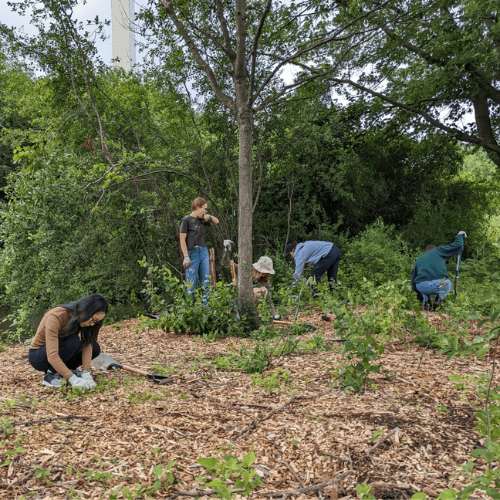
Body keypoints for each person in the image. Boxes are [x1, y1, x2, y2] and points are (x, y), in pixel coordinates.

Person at [28, 293, 108, 389]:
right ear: (85, 311)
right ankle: (51, 374)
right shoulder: (56, 316)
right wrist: (72, 378)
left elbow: (87, 343)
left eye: (96, 322)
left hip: (62, 350)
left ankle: (68, 369)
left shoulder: (84, 321)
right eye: (93, 320)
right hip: (39, 356)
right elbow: (52, 355)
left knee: (94, 347)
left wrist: (86, 373)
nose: (92, 324)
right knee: (72, 341)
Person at [411, 231, 466, 310]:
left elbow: (414, 279)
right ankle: (438, 299)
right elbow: (458, 245)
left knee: (420, 284)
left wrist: (416, 295)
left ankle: (425, 301)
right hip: (439, 285)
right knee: (447, 283)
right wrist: (460, 236)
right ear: (434, 248)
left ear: (426, 251)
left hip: (423, 286)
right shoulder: (438, 250)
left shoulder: (419, 259)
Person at [179, 197, 219, 306]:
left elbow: (216, 221)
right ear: (197, 207)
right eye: (204, 209)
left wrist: (208, 217)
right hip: (192, 252)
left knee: (205, 282)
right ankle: (189, 310)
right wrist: (186, 256)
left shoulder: (202, 220)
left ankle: (206, 309)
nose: (206, 211)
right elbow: (182, 240)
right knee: (191, 284)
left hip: (204, 251)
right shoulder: (186, 220)